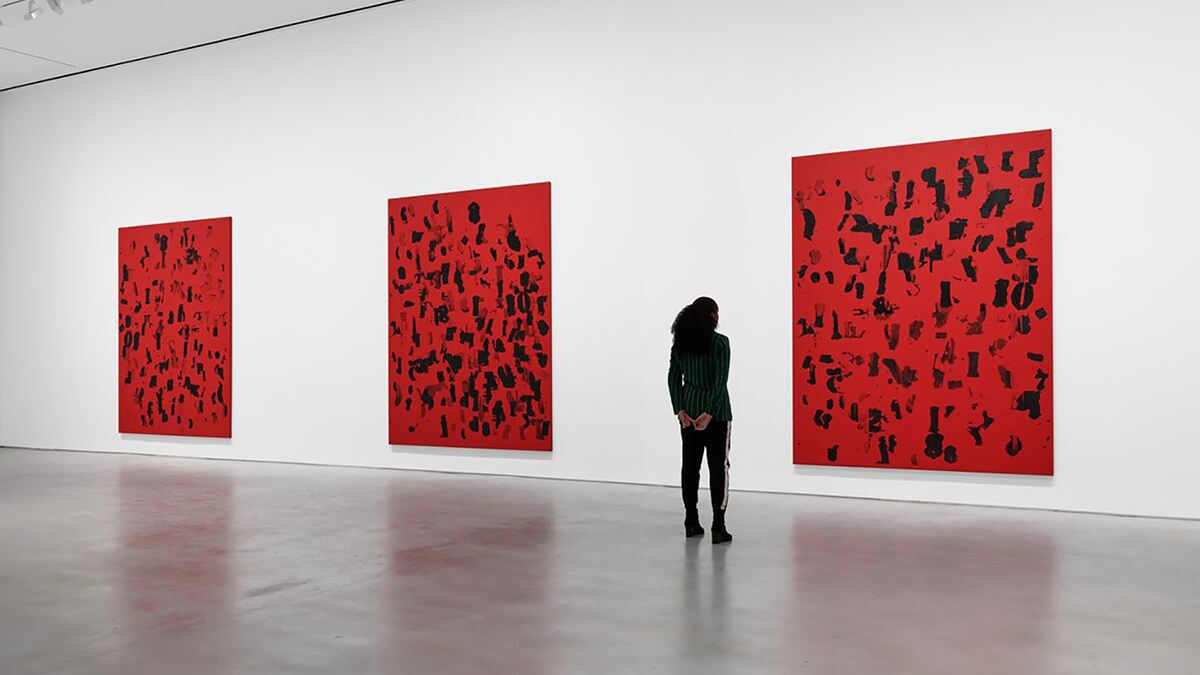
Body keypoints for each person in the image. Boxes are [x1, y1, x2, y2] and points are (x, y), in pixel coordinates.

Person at [668, 296, 733, 544]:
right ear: (712, 316)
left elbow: (673, 378)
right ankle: (719, 523)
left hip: (689, 414)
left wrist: (680, 410)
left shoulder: (680, 345)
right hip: (716, 416)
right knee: (719, 468)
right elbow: (720, 381)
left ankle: (691, 520)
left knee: (690, 467)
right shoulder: (720, 343)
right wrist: (711, 411)